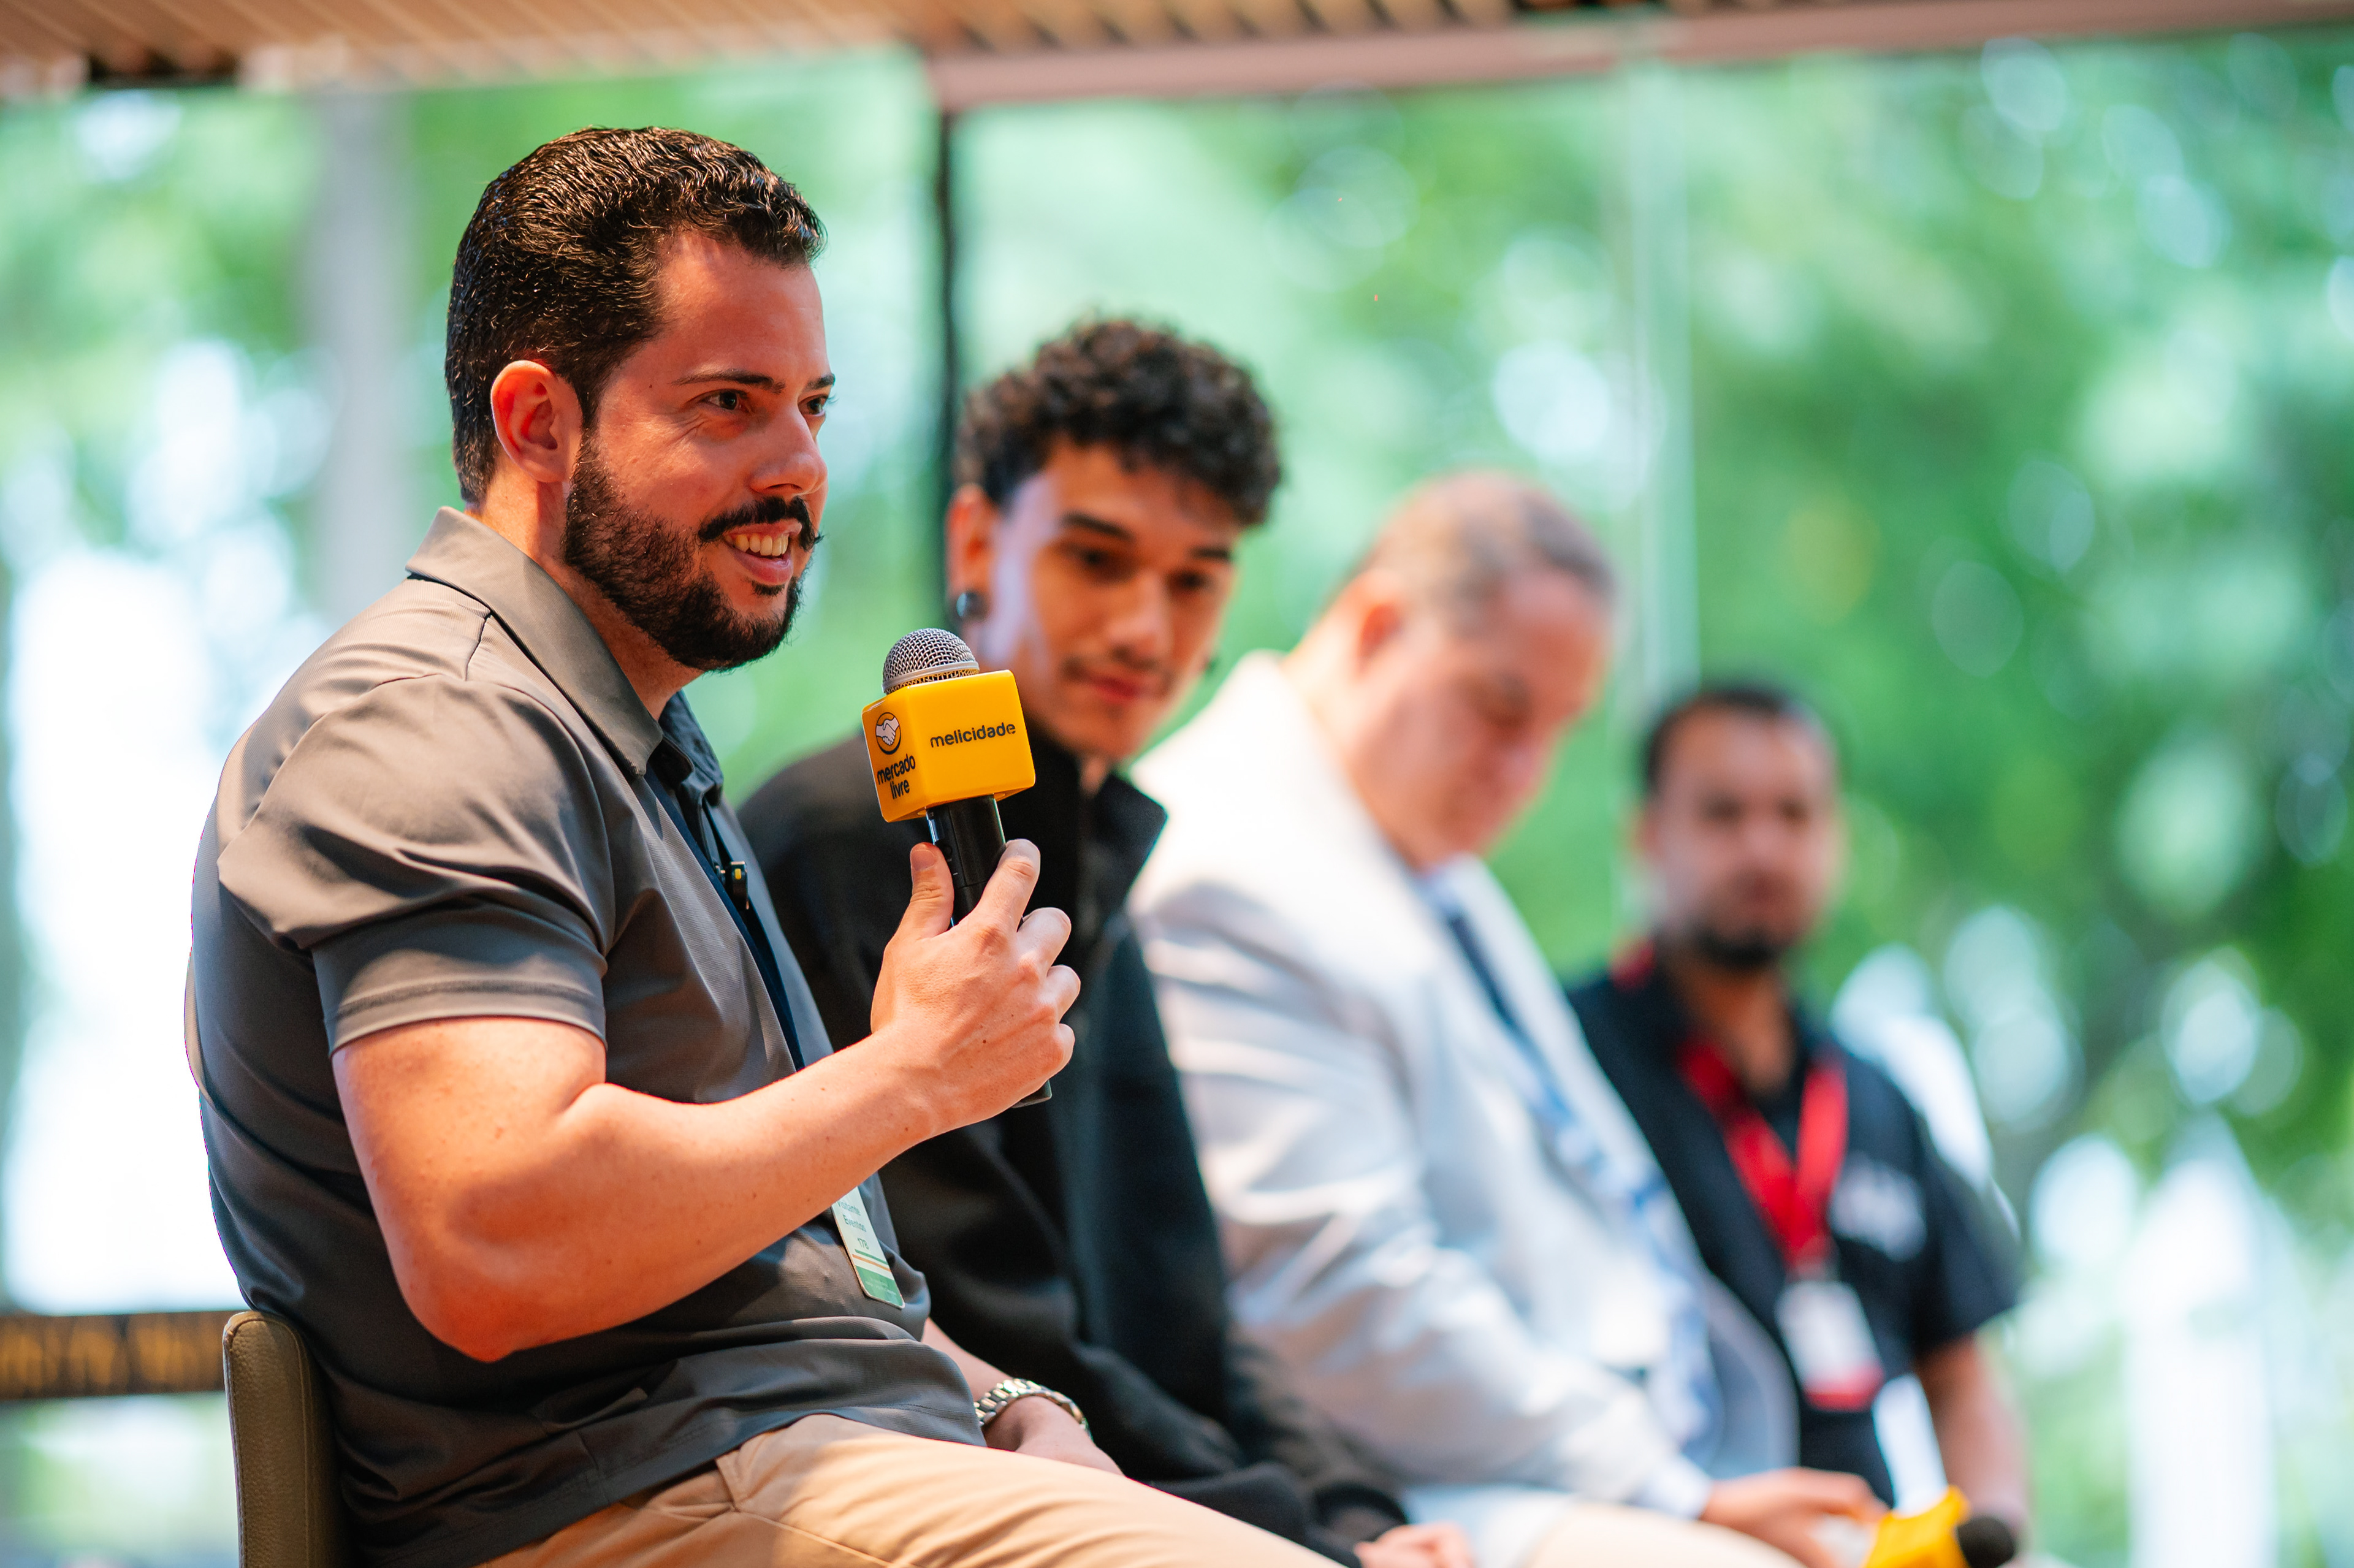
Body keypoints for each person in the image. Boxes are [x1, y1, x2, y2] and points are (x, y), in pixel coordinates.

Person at [189, 126, 1340, 1568]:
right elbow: (497, 1241)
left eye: (812, 407)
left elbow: (786, 1272)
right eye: (728, 404)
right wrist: (910, 1073)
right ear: (539, 423)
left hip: (797, 1456)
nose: (800, 467)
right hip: (633, 1499)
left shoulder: (624, 735)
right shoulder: (434, 721)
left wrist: (1009, 1405)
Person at [739, 320, 1468, 1568]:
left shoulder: (1101, 840)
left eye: (1194, 581)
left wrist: (1362, 1514)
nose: (1144, 628)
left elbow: (1184, 1308)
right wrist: (1314, 1538)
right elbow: (979, 1309)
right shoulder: (862, 837)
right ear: (977, 543)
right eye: (1097, 558)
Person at [1132, 473, 1883, 1568]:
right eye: (1498, 707)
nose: (1523, 771)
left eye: (1558, 729)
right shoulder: (1227, 865)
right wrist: (1674, 1492)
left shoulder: (1418, 852)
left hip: (1613, 1449)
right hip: (1425, 1487)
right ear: (1378, 627)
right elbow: (1344, 1301)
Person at [1566, 684, 2029, 1529]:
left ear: (1835, 838)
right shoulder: (1566, 1058)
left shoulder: (1877, 1097)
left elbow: (1963, 1377)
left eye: (1794, 814)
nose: (1763, 847)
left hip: (1865, 1534)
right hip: (1666, 1519)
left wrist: (1993, 1534)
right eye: (1723, 813)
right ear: (1647, 836)